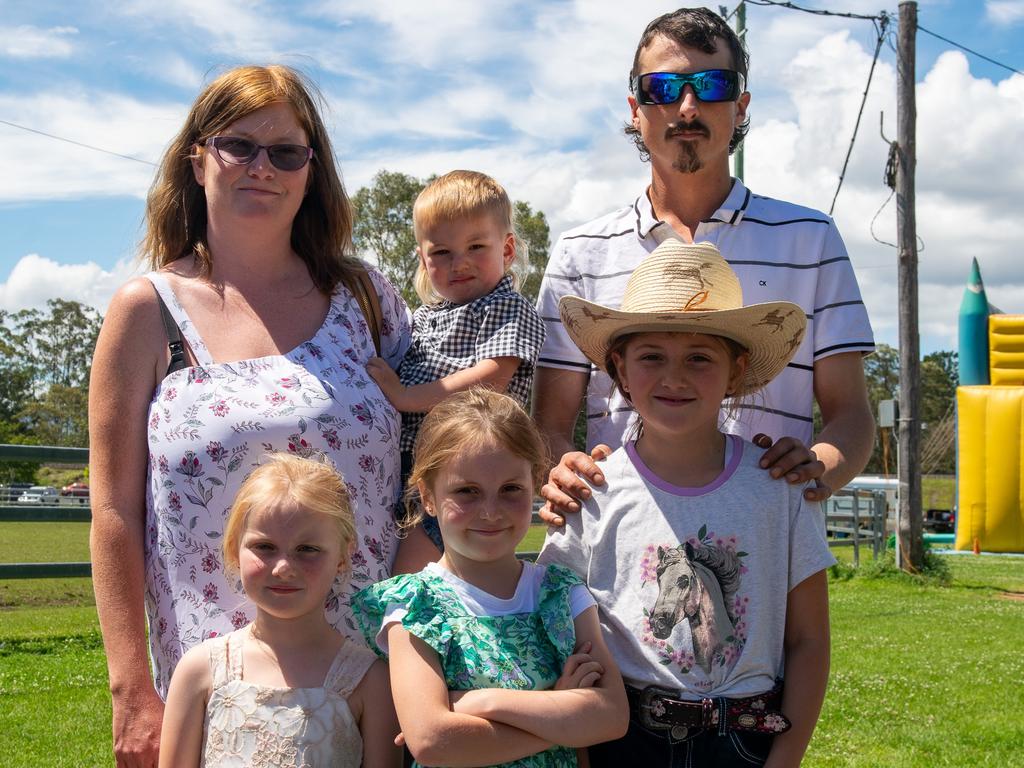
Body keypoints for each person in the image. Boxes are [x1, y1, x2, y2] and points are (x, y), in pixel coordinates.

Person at [88, 64, 410, 766]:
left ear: (310, 170)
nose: (263, 167)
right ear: (197, 157)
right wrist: (130, 690)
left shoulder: (366, 298)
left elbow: (437, 451)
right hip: (211, 695)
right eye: (240, 146)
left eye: (286, 151)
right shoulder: (147, 311)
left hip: (370, 683)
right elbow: (112, 509)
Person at [533, 7, 875, 521]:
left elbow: (850, 417)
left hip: (768, 541)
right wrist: (561, 468)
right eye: (662, 88)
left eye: (712, 84)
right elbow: (549, 423)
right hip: (617, 538)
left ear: (740, 106)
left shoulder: (811, 239)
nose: (688, 106)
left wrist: (814, 469)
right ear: (635, 107)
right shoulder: (580, 251)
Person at [540, 238, 834, 767]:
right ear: (620, 370)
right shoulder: (589, 492)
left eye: (699, 358)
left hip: (748, 744)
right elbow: (562, 637)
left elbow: (810, 641)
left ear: (736, 371)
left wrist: (785, 760)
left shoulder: (780, 487)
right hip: (620, 739)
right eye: (652, 356)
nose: (674, 377)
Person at [351, 389, 628, 767]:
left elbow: (611, 716)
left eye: (510, 489)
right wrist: (561, 710)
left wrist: (482, 701)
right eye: (467, 492)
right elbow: (433, 740)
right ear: (428, 496)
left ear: (533, 484)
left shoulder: (562, 594)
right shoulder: (415, 605)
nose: (491, 512)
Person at [159, 454, 400, 768]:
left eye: (308, 550)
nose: (284, 568)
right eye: (264, 547)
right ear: (234, 548)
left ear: (343, 556)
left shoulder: (370, 680)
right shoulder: (200, 670)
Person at [366, 170, 545, 570]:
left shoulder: (507, 307)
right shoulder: (426, 317)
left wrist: (405, 397)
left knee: (406, 586)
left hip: (468, 476)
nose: (459, 263)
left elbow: (491, 377)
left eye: (476, 246)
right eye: (442, 253)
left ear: (508, 249)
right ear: (423, 258)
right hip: (415, 475)